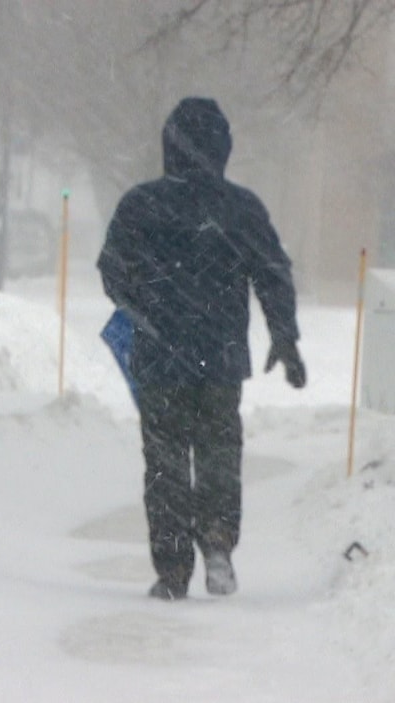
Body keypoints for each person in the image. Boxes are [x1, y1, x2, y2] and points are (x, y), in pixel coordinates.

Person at [97, 97, 307, 600]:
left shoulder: (140, 205)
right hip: (221, 356)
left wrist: (145, 311)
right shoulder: (240, 208)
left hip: (159, 358)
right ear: (224, 148)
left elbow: (112, 272)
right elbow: (272, 274)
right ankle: (217, 541)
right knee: (218, 453)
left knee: (165, 463)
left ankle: (171, 571)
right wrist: (285, 336)